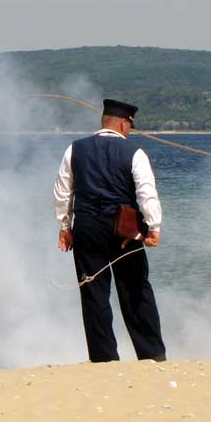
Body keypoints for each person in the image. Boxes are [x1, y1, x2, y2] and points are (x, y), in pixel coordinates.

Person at [53, 98, 166, 363]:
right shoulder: (135, 153)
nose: (130, 131)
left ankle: (104, 359)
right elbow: (146, 193)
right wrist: (154, 227)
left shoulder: (74, 149)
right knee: (136, 290)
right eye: (130, 126)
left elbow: (62, 191)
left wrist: (64, 226)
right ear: (124, 123)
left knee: (93, 293)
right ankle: (152, 355)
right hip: (123, 230)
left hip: (87, 228)